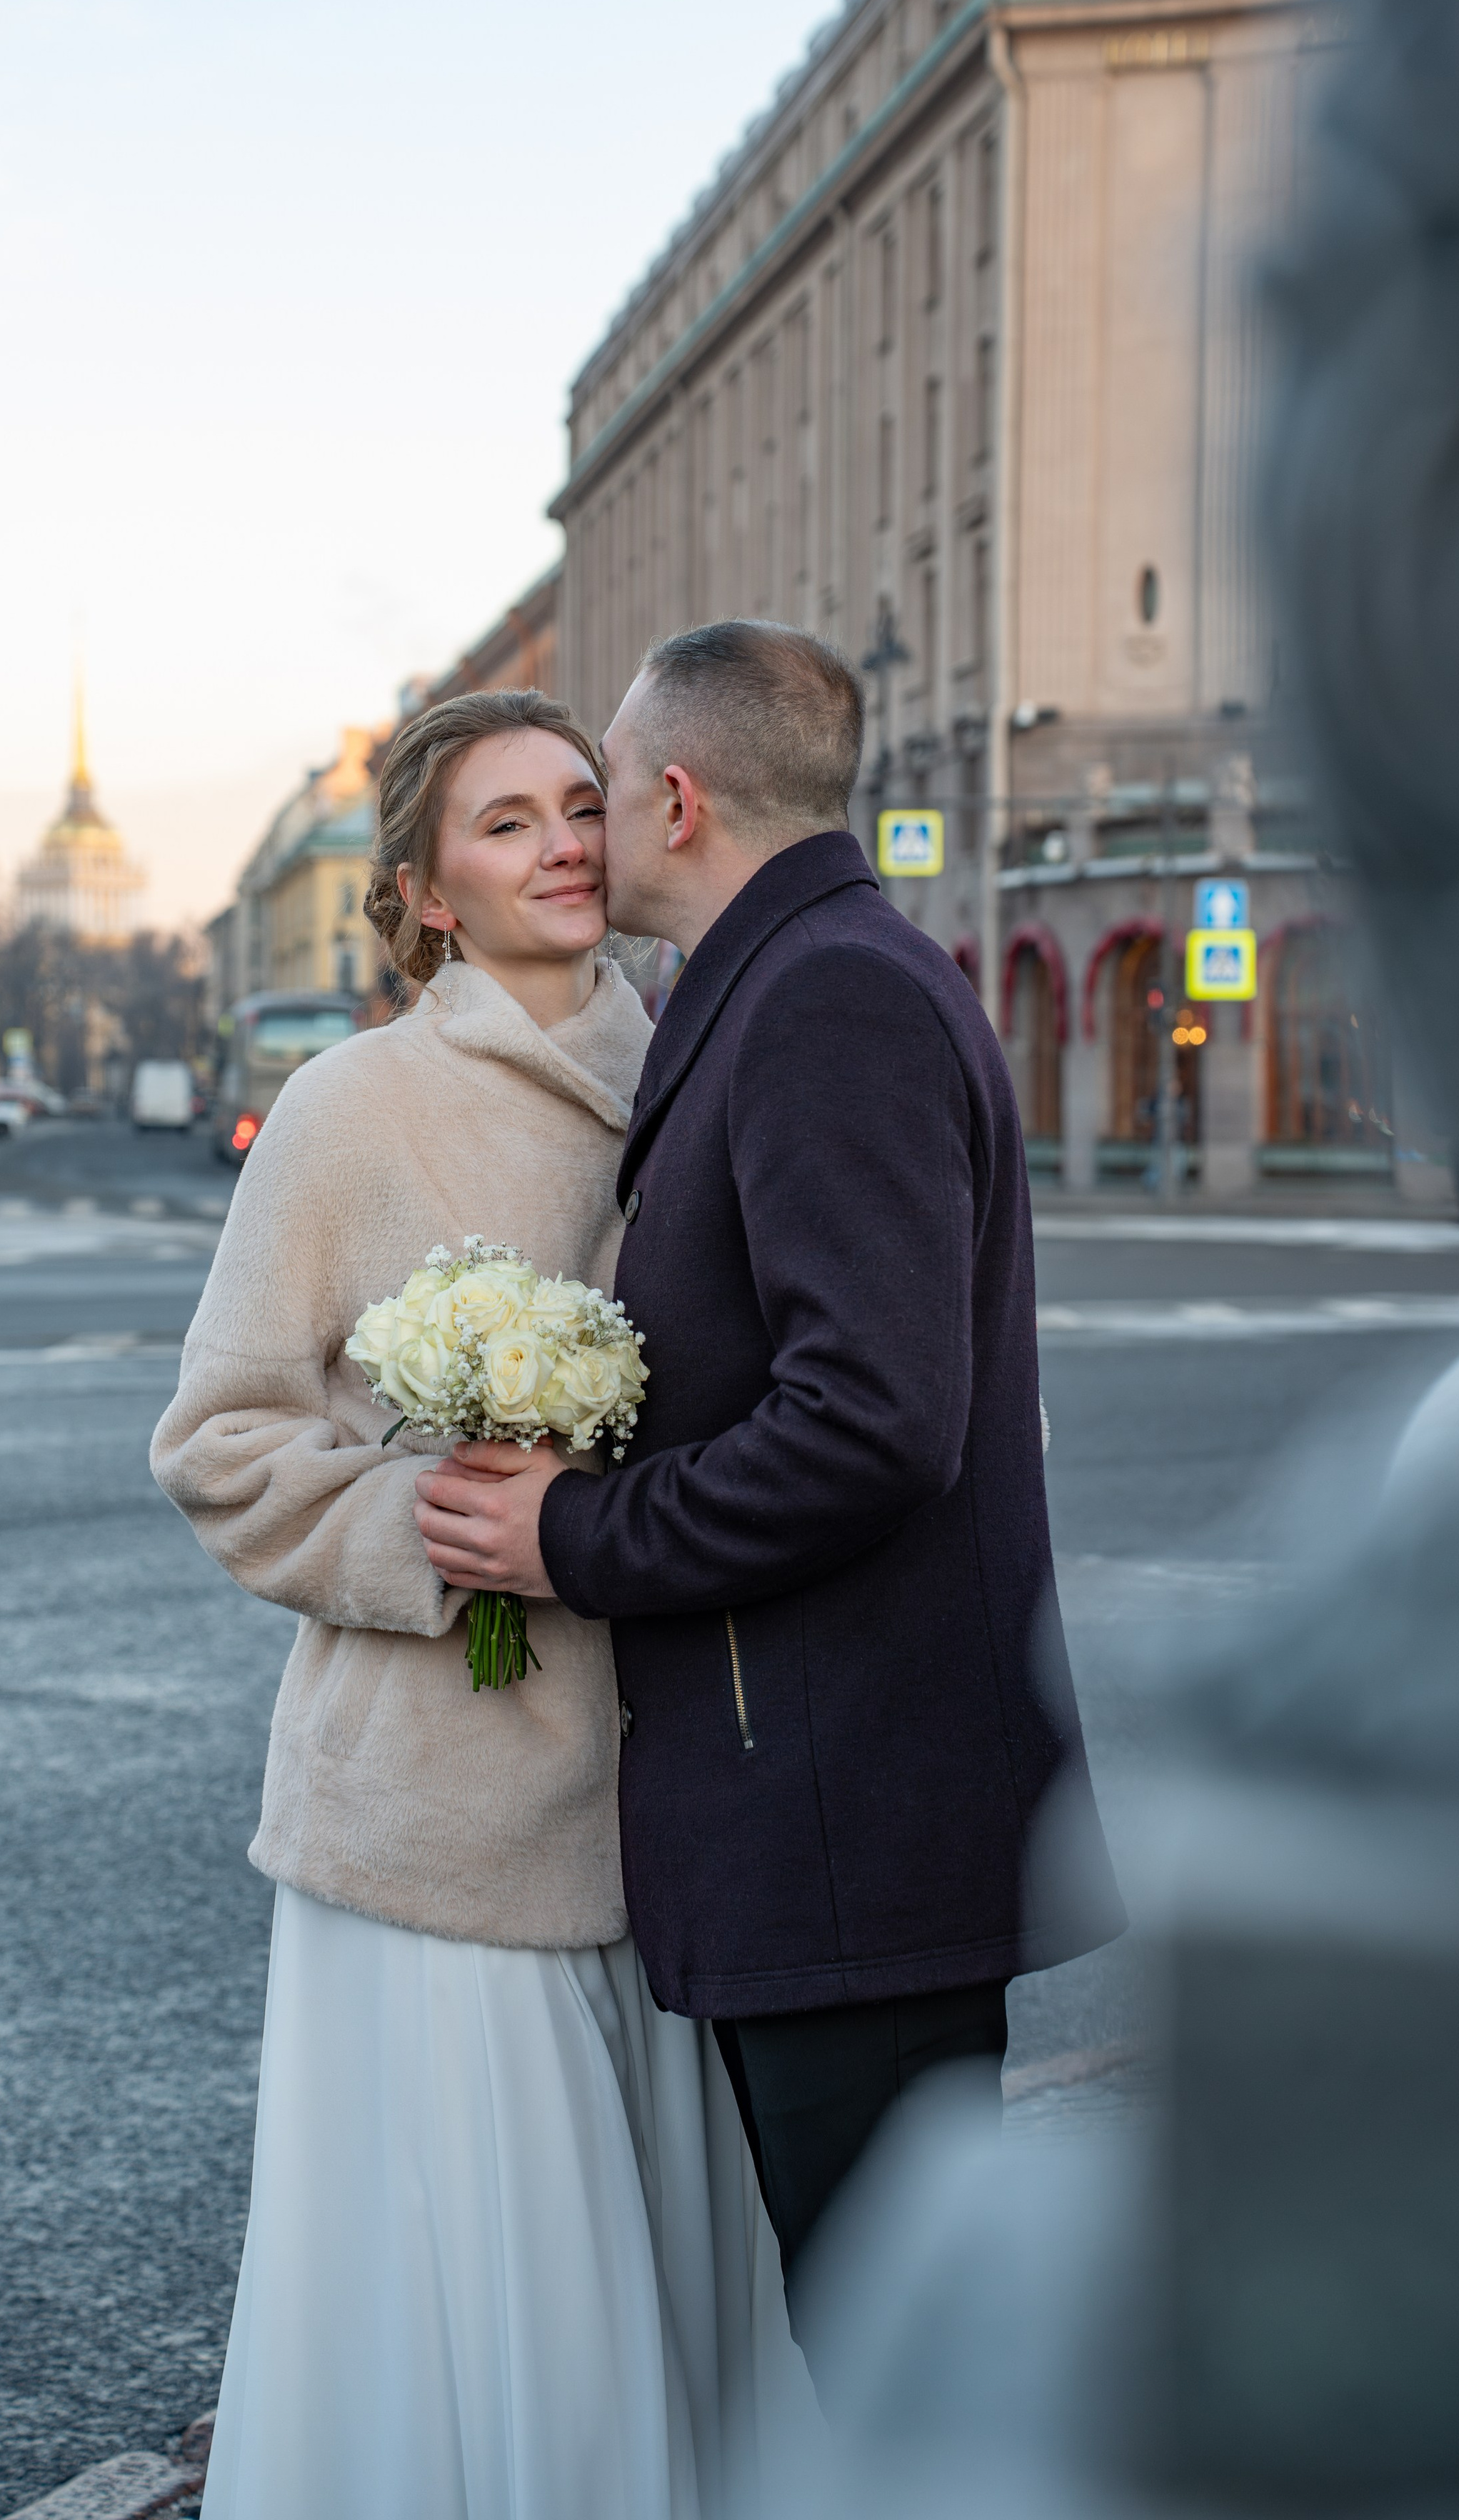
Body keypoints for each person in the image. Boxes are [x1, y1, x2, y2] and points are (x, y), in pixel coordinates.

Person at [151, 687, 813, 2520]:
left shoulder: (707, 1053)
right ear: (426, 892)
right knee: (482, 2307)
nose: (565, 847)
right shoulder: (354, 1105)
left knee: (662, 2300)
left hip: (670, 1796)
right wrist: (437, 1531)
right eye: (506, 823)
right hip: (434, 1809)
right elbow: (218, 1441)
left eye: (581, 805)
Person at [416, 623, 1125, 2326]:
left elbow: (870, 1421)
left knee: (898, 2355)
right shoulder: (819, 977)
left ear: (675, 797)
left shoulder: (823, 999)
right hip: (838, 1804)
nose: (580, 839)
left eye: (596, 795)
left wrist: (569, 1533)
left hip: (839, 1814)